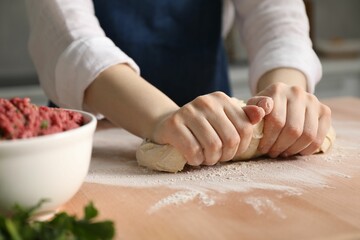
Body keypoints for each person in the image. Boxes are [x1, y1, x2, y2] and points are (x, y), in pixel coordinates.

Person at [25, 0, 331, 166]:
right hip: (87, 136)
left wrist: (285, 98)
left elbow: (274, 17)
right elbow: (67, 39)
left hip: (219, 125)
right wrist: (162, 118)